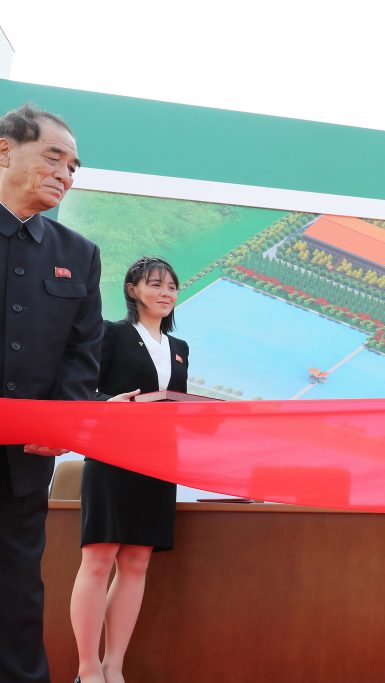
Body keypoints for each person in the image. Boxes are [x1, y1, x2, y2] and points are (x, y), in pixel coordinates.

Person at [0, 103, 102, 683]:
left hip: (24, 465)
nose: (65, 173)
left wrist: (61, 424)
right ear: (5, 150)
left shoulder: (77, 255)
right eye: (54, 156)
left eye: (74, 166)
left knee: (17, 592)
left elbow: (80, 356)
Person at [68, 257, 189, 683]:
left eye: (172, 287)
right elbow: (83, 387)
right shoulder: (110, 334)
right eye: (156, 285)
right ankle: (86, 669)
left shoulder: (179, 348)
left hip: (158, 461)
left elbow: (176, 403)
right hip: (112, 457)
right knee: (99, 559)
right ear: (132, 289)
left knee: (137, 561)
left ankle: (113, 666)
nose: (166, 293)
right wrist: (109, 405)